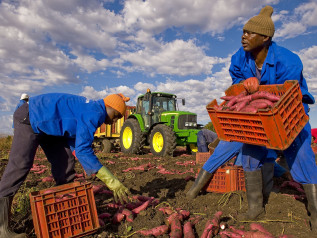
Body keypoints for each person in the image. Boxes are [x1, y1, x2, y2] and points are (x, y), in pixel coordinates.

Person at [228, 5, 316, 230]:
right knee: (250, 151)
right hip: (257, 117)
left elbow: (284, 95)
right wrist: (242, 85)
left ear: (265, 37)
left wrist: (258, 89)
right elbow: (236, 78)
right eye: (243, 31)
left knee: (302, 154)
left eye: (250, 33)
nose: (243, 36)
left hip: (289, 113)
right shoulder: (241, 57)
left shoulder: (289, 61)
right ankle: (255, 208)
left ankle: (315, 213)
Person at [0, 93, 132, 237]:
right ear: (109, 106)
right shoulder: (95, 112)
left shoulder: (92, 110)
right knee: (20, 165)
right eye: (116, 115)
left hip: (50, 129)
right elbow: (83, 151)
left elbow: (75, 142)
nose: (115, 121)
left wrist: (82, 157)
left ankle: (61, 210)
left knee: (65, 164)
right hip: (31, 116)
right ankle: (2, 228)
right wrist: (111, 181)